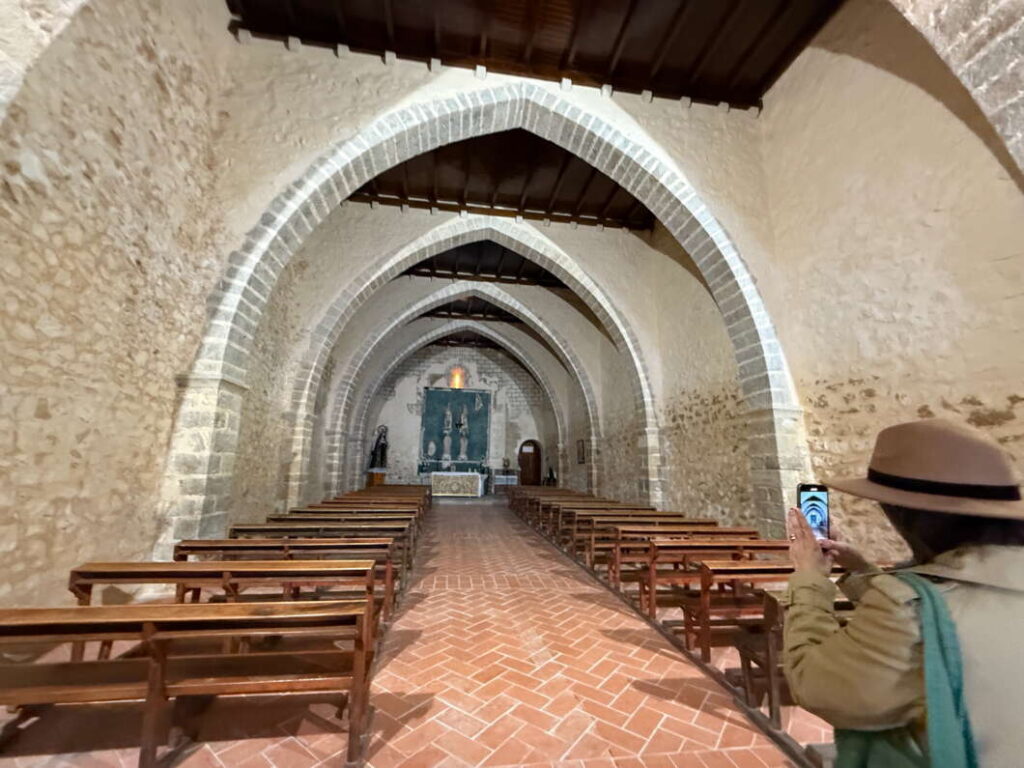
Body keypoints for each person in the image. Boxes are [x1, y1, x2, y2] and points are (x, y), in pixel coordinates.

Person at [783, 419, 1024, 767]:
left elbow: (815, 682)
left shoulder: (905, 607)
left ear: (901, 513)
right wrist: (861, 571)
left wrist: (809, 578)